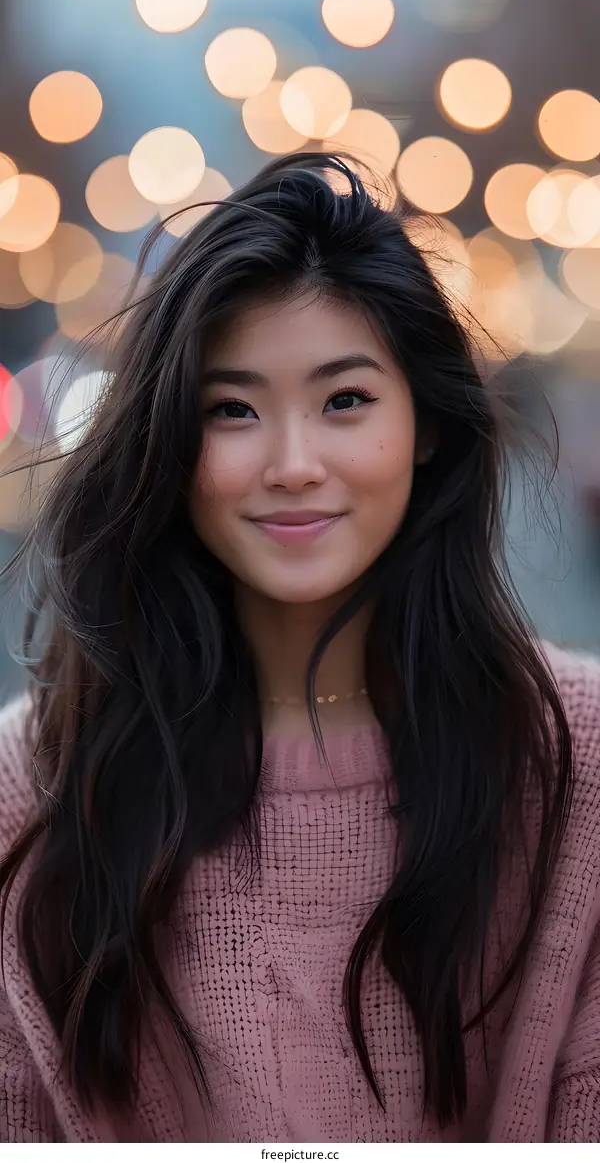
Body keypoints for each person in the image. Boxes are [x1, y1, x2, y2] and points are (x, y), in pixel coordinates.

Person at [0, 151, 599, 1144]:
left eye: (345, 399)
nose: (292, 464)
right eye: (231, 409)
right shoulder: (38, 786)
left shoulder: (573, 762)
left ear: (427, 426)